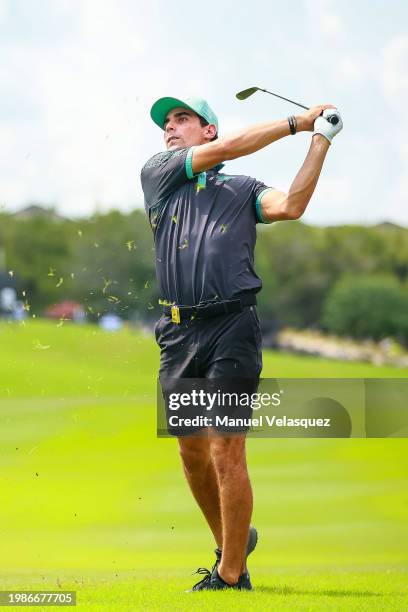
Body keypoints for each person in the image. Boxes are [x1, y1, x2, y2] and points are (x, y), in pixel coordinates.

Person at [140, 96, 343, 591]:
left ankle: (231, 576)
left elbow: (291, 205)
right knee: (191, 452)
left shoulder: (242, 189)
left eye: (182, 120)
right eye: (167, 123)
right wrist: (296, 121)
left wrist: (320, 140)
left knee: (226, 448)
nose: (171, 129)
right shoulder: (160, 174)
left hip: (233, 327)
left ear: (207, 131)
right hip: (178, 332)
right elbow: (235, 145)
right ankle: (233, 543)